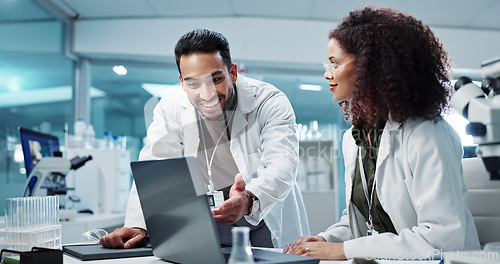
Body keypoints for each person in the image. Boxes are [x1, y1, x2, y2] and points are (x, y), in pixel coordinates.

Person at [284, 7, 480, 260]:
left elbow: (441, 238)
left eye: (335, 62)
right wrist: (325, 240)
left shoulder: (426, 134)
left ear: (370, 66)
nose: (327, 73)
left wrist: (342, 250)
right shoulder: (354, 139)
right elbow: (364, 221)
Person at [100, 29, 309, 249]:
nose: (206, 93)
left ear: (233, 72)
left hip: (262, 206)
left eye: (216, 79)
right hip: (212, 214)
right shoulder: (172, 105)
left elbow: (282, 163)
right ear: (181, 82)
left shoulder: (269, 101)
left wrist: (248, 199)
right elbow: (155, 163)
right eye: (193, 84)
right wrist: (138, 224)